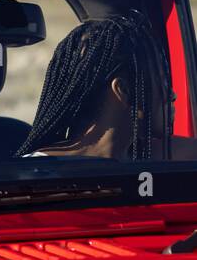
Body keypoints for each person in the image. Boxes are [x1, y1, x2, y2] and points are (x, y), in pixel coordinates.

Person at [15, 11, 197, 161]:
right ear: (123, 90)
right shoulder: (38, 175)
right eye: (162, 81)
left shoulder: (149, 156)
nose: (172, 94)